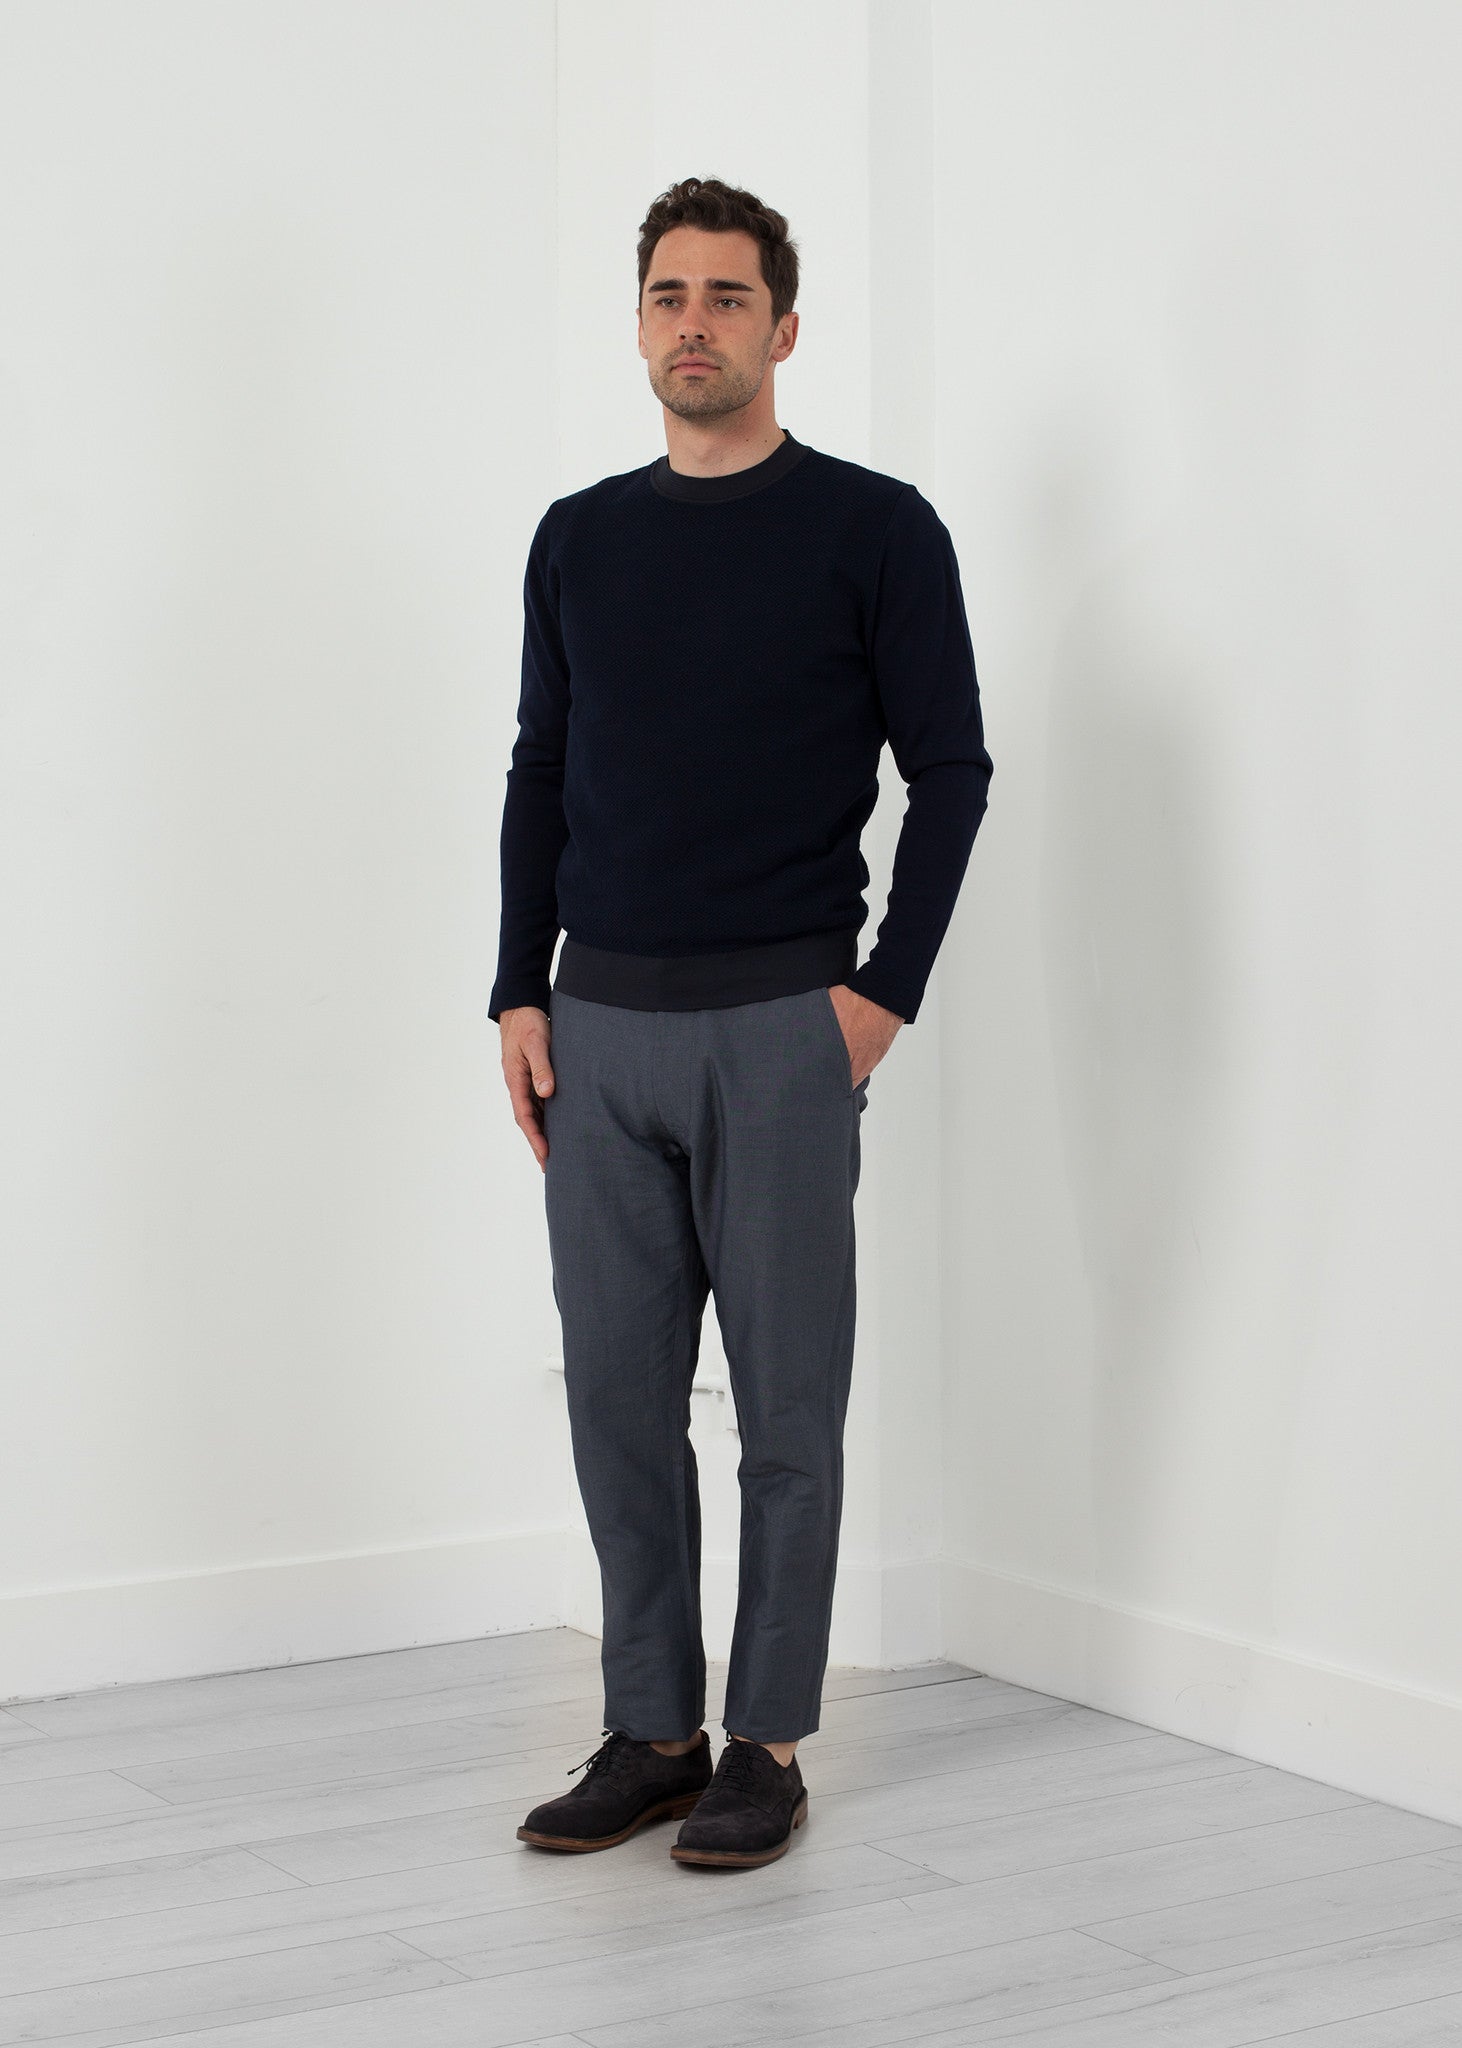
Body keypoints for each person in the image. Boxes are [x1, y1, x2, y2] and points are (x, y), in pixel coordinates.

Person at [490, 176, 993, 1870]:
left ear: (783, 329)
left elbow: (949, 771)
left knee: (785, 1412)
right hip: (599, 1024)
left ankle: (764, 1744)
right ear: (637, 323)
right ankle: (653, 1729)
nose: (691, 323)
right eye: (666, 295)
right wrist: (516, 985)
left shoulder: (874, 528)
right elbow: (540, 768)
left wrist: (878, 999)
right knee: (617, 1404)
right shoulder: (577, 537)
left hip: (784, 1022)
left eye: (723, 297)